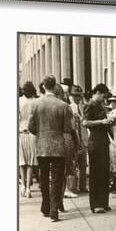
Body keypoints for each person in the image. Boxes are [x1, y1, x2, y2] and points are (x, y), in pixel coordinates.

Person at [28, 75, 74, 221]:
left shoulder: (36, 104)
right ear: (55, 87)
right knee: (56, 178)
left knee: (43, 176)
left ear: (43, 86)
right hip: (58, 146)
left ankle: (45, 206)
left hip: (42, 145)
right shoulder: (63, 105)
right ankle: (54, 209)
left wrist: (42, 133)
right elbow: (67, 129)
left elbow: (31, 127)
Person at [83, 83, 113, 213]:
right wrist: (101, 122)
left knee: (104, 172)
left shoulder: (99, 105)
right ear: (98, 93)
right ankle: (96, 204)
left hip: (103, 141)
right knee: (96, 173)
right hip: (95, 141)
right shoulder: (90, 105)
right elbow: (85, 122)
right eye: (103, 96)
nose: (104, 99)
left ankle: (103, 202)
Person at [18, 81, 39, 198]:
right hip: (32, 134)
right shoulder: (36, 102)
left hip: (20, 132)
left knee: (22, 161)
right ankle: (28, 187)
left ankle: (23, 185)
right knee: (31, 161)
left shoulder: (19, 101)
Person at [69, 85, 89, 193]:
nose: (77, 98)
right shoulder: (69, 107)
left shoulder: (84, 107)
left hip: (84, 137)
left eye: (79, 96)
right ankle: (73, 186)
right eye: (75, 96)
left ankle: (83, 185)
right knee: (74, 163)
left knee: (83, 164)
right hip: (74, 138)